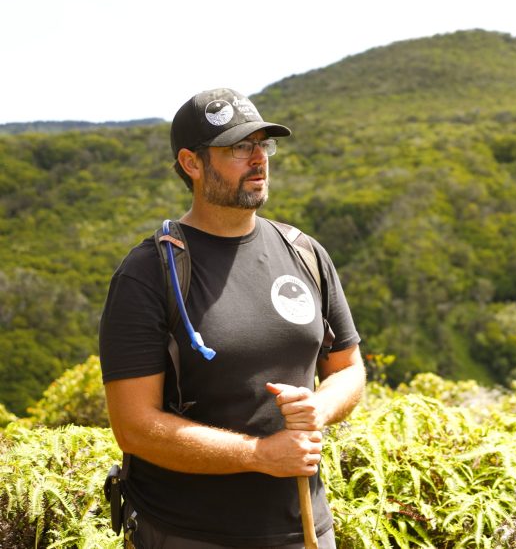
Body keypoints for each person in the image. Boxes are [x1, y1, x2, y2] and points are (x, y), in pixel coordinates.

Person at [99, 88, 365, 548]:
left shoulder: (304, 254)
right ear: (191, 163)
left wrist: (318, 408)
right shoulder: (150, 272)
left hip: (306, 527)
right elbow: (134, 427)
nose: (259, 159)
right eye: (239, 148)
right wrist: (259, 454)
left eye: (263, 145)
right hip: (187, 534)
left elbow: (348, 369)